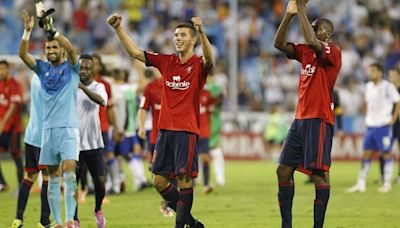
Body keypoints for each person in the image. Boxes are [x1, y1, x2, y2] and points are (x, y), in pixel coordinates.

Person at [108, 13, 213, 228]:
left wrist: (202, 32)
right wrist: (118, 28)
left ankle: (180, 225)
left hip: (186, 130)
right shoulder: (167, 62)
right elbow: (135, 52)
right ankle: (192, 224)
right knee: (158, 181)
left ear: (192, 40)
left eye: (183, 34)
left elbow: (210, 58)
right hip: (164, 130)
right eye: (176, 35)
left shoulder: (198, 64)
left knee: (184, 179)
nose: (178, 38)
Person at [273, 0, 342, 227]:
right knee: (283, 170)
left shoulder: (333, 52)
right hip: (300, 119)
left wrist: (301, 8)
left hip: (320, 119)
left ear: (327, 33)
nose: (311, 30)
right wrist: (290, 14)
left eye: (316, 27)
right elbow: (278, 43)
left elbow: (312, 41)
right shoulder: (304, 52)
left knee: (319, 174)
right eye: (311, 27)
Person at [19, 6, 80, 227]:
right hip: (48, 132)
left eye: (55, 47)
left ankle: (70, 220)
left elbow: (72, 49)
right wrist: (27, 31)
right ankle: (56, 222)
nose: (51, 49)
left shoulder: (72, 68)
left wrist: (53, 31)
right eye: (48, 47)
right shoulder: (42, 69)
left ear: (61, 50)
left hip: (68, 129)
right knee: (53, 178)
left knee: (70, 174)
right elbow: (23, 55)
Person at [346, 63, 400, 193]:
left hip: (383, 125)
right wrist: (367, 114)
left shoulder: (388, 86)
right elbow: (367, 103)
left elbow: (398, 101)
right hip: (371, 125)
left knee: (386, 153)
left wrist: (393, 117)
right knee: (366, 153)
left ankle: (387, 183)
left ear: (380, 73)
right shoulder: (368, 86)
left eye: (374, 71)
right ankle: (361, 183)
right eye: (370, 71)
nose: (371, 73)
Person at [11, 72, 51, 228]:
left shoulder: (36, 77)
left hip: (31, 134)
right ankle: (44, 221)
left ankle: (18, 219)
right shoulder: (51, 79)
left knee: (29, 176)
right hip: (44, 136)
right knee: (48, 178)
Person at [74, 54, 107, 228]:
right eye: (81, 68)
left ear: (93, 69)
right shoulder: (70, 88)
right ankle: (74, 219)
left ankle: (98, 210)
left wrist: (82, 88)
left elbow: (101, 101)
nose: (84, 71)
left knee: (100, 182)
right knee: (74, 184)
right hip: (74, 145)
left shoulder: (98, 86)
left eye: (87, 68)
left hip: (94, 144)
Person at [137, 68, 174, 218]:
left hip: (175, 135)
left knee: (174, 171)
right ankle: (168, 200)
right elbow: (143, 108)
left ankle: (168, 203)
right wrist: (141, 126)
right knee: (157, 173)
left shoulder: (176, 85)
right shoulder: (151, 87)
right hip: (156, 136)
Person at [92, 54, 121, 194]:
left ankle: (115, 184)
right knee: (88, 157)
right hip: (87, 127)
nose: (94, 66)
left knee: (108, 154)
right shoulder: (80, 83)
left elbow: (110, 108)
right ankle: (93, 186)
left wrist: (115, 128)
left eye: (96, 63)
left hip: (102, 126)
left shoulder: (105, 85)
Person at [0, 60, 24, 189]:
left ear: (8, 69)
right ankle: (2, 183)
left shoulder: (15, 84)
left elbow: (14, 106)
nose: (1, 72)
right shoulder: (0, 84)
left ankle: (21, 186)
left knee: (16, 156)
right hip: (3, 129)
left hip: (14, 128)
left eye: (3, 69)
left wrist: (3, 122)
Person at [205, 74, 226, 186]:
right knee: (212, 150)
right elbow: (221, 100)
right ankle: (219, 178)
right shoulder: (216, 87)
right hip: (210, 121)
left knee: (212, 150)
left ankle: (218, 178)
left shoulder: (210, 87)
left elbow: (218, 101)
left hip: (209, 122)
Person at [197, 89, 214, 194]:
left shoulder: (207, 94)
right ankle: (190, 183)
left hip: (203, 132)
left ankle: (206, 184)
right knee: (188, 159)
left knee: (205, 158)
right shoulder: (189, 91)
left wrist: (210, 129)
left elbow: (210, 113)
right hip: (191, 131)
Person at [388, 67, 400, 184]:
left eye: (393, 75)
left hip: (398, 122)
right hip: (389, 122)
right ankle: (384, 176)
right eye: (390, 75)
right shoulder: (388, 88)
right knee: (385, 149)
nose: (391, 77)